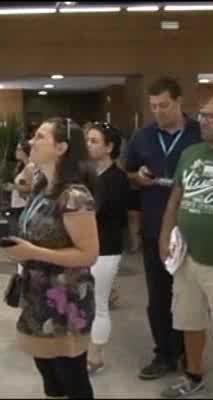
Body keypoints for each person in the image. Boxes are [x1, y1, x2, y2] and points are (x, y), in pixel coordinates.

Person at [1, 117, 99, 399]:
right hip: (37, 295)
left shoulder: (75, 196)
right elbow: (22, 183)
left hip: (65, 302)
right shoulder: (42, 186)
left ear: (61, 148)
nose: (32, 141)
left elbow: (88, 254)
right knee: (50, 378)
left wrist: (32, 252)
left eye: (40, 137)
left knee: (73, 380)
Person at [125, 76, 201, 379]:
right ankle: (164, 355)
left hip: (194, 228)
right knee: (159, 296)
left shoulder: (199, 133)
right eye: (154, 106)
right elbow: (128, 171)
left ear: (180, 102)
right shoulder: (142, 136)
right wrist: (136, 176)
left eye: (164, 105)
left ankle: (189, 355)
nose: (158, 111)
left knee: (192, 296)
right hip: (156, 227)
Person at [158, 95, 213, 398]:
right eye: (203, 114)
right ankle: (193, 375)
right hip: (187, 258)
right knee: (189, 320)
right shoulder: (191, 153)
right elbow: (175, 198)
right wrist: (165, 234)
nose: (204, 120)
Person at [84, 122, 130, 374]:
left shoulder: (116, 178)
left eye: (94, 141)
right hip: (88, 246)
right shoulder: (91, 175)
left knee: (99, 303)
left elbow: (100, 214)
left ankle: (96, 356)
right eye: (87, 140)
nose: (88, 145)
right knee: (87, 301)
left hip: (106, 249)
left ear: (109, 147)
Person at [3, 139, 34, 234]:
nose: (16, 152)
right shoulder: (21, 165)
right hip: (17, 203)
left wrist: (14, 187)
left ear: (25, 152)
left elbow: (32, 188)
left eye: (19, 149)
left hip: (23, 205)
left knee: (18, 232)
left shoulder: (30, 167)